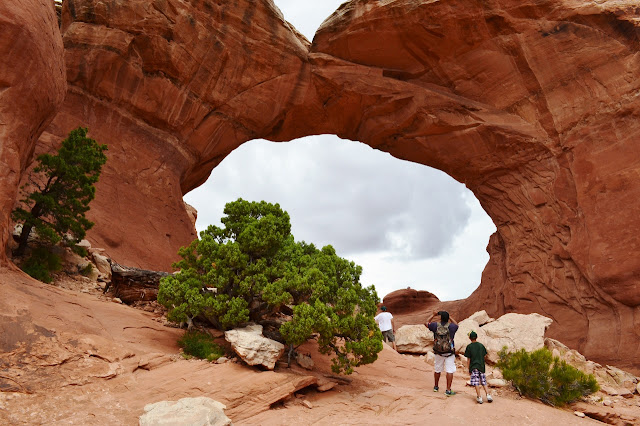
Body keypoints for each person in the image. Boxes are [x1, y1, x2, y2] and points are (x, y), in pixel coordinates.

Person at [427, 310, 459, 395]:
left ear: (440, 318)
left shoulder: (435, 326)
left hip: (438, 352)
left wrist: (433, 315)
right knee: (449, 370)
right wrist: (450, 317)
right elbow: (457, 325)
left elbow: (426, 323)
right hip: (449, 352)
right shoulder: (451, 327)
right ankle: (448, 390)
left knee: (437, 369)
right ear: (448, 318)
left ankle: (436, 387)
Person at [464, 331, 493, 404]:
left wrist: (469, 369)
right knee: (484, 381)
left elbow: (468, 359)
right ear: (476, 337)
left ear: (470, 338)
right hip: (481, 366)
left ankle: (479, 397)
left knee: (476, 382)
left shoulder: (469, 346)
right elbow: (484, 355)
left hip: (474, 366)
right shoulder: (481, 346)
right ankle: (488, 395)